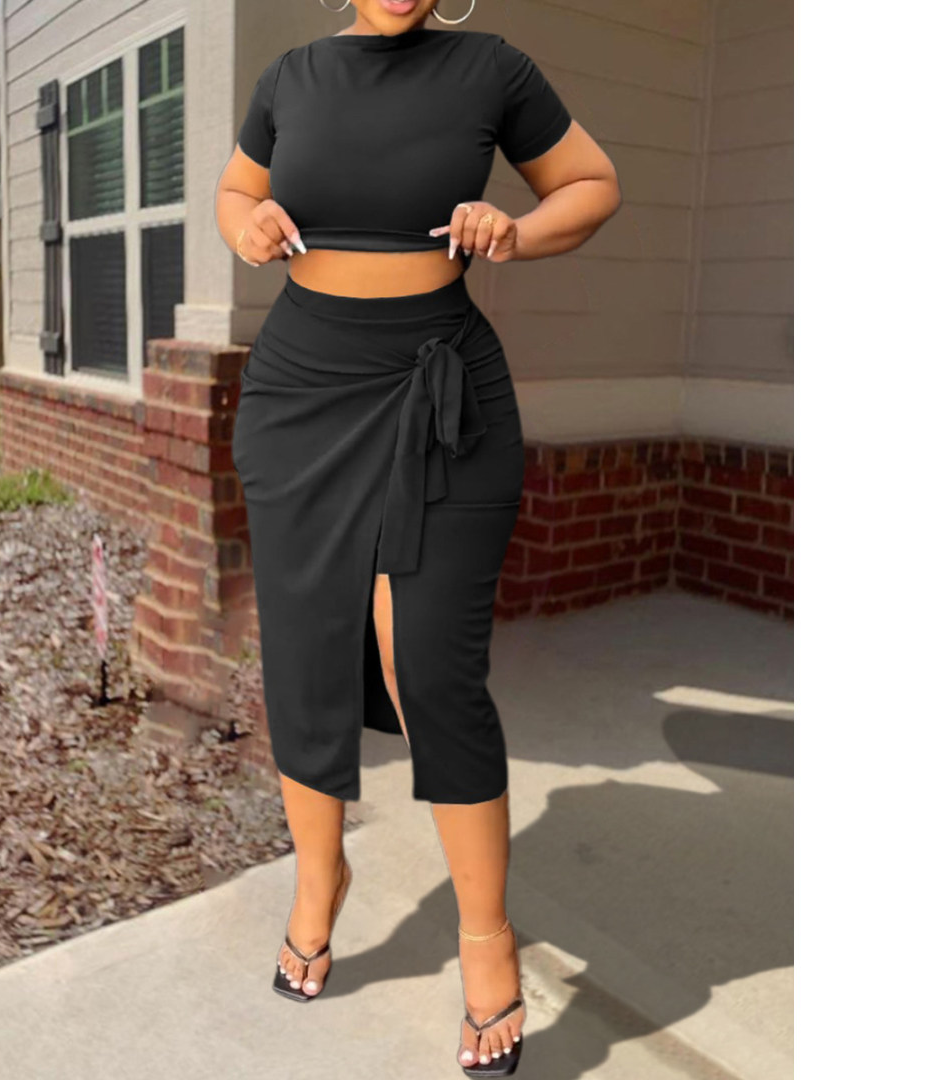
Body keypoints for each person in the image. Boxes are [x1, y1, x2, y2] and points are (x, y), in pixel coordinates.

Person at [214, 1, 621, 1074]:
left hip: (443, 394)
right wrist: (244, 225)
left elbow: (593, 184)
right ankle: (320, 881)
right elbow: (236, 192)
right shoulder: (291, 77)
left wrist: (516, 231)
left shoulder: (491, 68)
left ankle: (486, 938)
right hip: (302, 394)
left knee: (431, 668)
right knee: (303, 656)